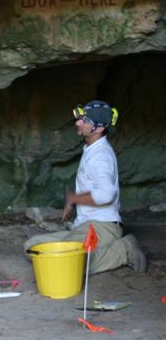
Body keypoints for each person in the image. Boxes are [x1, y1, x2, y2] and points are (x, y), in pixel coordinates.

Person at [24, 100, 146, 274]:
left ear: (99, 128)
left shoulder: (100, 156)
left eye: (85, 120)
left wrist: (73, 198)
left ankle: (123, 251)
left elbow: (106, 194)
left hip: (102, 227)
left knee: (64, 265)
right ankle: (89, 252)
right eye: (80, 118)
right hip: (85, 226)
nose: (78, 122)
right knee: (33, 247)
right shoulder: (91, 149)